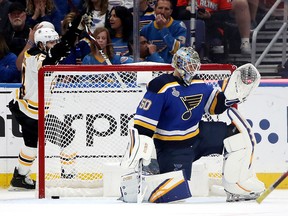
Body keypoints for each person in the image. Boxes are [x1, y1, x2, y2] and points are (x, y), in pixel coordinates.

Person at [120, 46, 265, 203]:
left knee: (236, 136)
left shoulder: (198, 82)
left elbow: (215, 106)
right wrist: (146, 155)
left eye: (195, 65)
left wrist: (233, 95)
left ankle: (236, 186)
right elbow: (143, 125)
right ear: (179, 64)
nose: (193, 69)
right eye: (189, 65)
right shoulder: (160, 86)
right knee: (173, 195)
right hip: (173, 148)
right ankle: (139, 184)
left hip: (198, 137)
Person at [8, 15, 84, 190]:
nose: (54, 45)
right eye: (51, 43)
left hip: (26, 109)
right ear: (42, 44)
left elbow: (58, 50)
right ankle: (69, 174)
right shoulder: (36, 57)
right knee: (67, 136)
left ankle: (19, 178)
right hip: (32, 113)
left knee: (30, 143)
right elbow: (52, 58)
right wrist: (73, 31)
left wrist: (76, 30)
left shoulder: (39, 52)